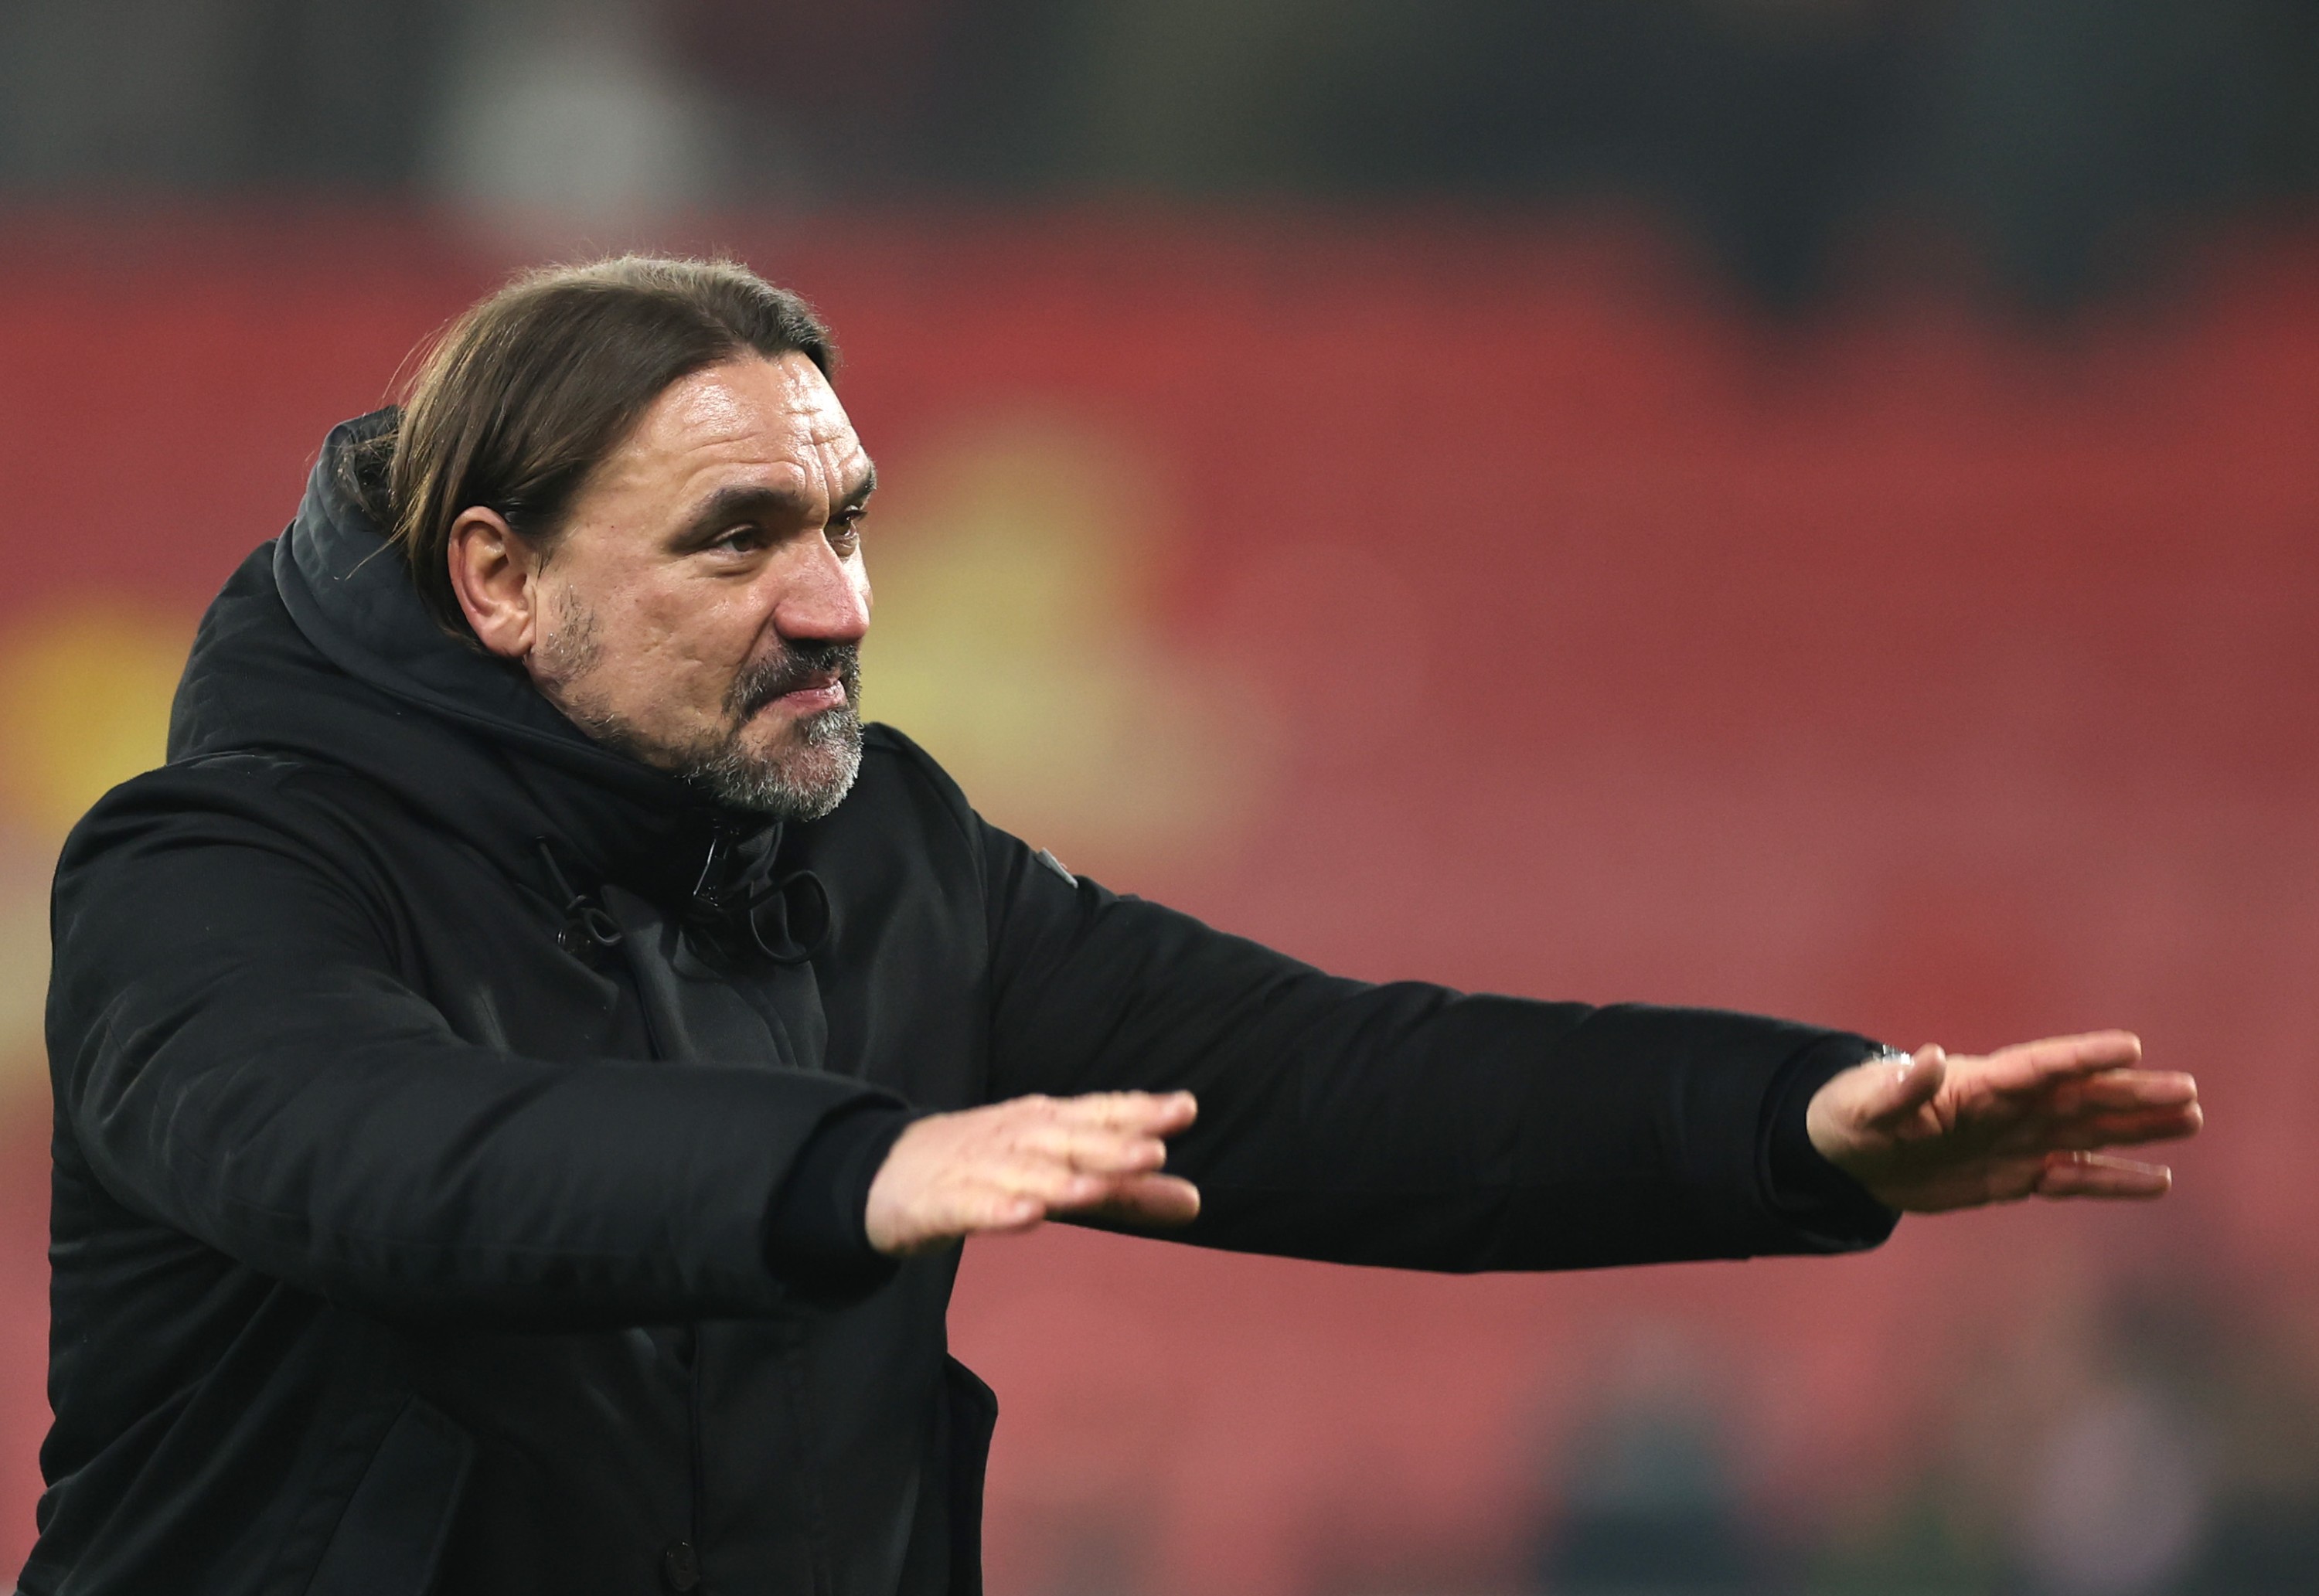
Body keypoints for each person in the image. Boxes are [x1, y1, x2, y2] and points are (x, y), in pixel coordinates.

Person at [29, 257, 2200, 1596]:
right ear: (501, 580)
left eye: (850, 520)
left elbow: (1341, 1084)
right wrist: (849, 1166)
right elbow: (387, 1159)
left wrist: (1791, 1126)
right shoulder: (211, 870)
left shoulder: (887, 854)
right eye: (742, 533)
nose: (840, 603)